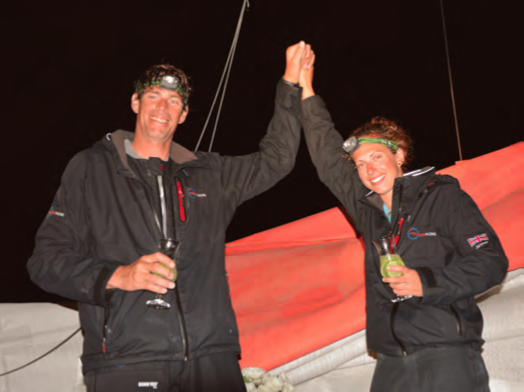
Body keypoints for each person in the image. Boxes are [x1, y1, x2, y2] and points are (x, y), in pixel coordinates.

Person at [27, 42, 312, 392]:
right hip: (127, 358)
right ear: (135, 103)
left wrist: (290, 83)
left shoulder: (210, 173)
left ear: (184, 114)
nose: (162, 107)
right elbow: (45, 262)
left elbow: (278, 159)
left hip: (212, 359)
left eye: (173, 101)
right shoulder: (91, 167)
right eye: (153, 97)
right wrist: (119, 275)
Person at [297, 51, 508, 391]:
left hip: (446, 354)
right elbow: (326, 157)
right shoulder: (366, 211)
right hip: (391, 361)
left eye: (377, 157)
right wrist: (306, 88)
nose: (369, 169)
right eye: (361, 165)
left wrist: (425, 282)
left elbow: (491, 262)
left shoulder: (442, 197)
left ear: (399, 155)